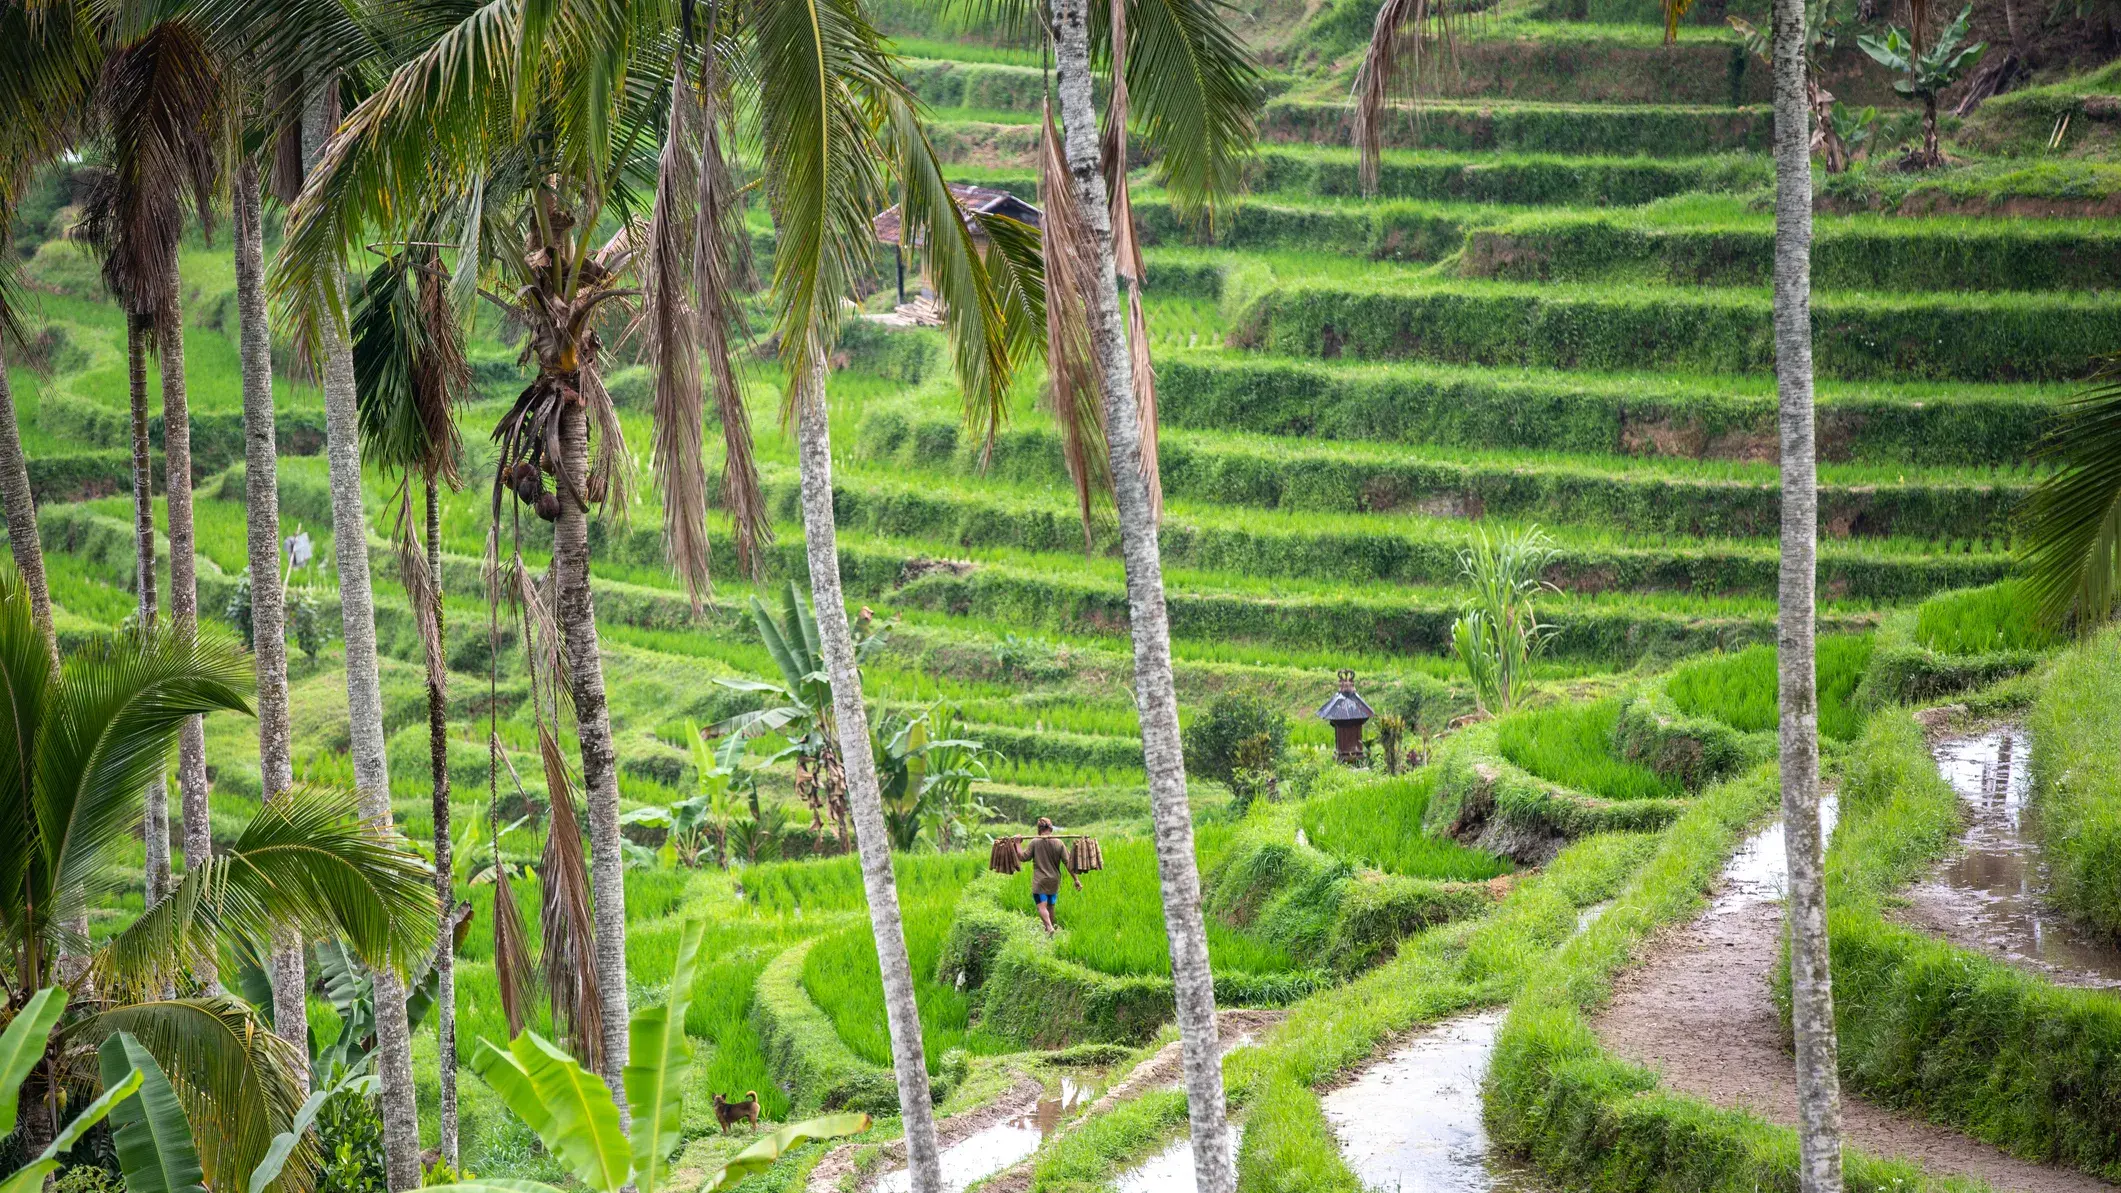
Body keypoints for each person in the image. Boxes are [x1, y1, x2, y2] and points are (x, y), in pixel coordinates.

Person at [1017, 817, 1080, 935]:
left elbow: (1023, 857)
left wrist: (1017, 844)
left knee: (1041, 907)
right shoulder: (1059, 843)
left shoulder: (1035, 842)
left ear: (1039, 829)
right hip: (1054, 880)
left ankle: (1049, 927)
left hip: (1040, 881)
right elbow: (1068, 863)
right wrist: (1076, 879)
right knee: (1051, 906)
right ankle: (1049, 931)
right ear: (1051, 828)